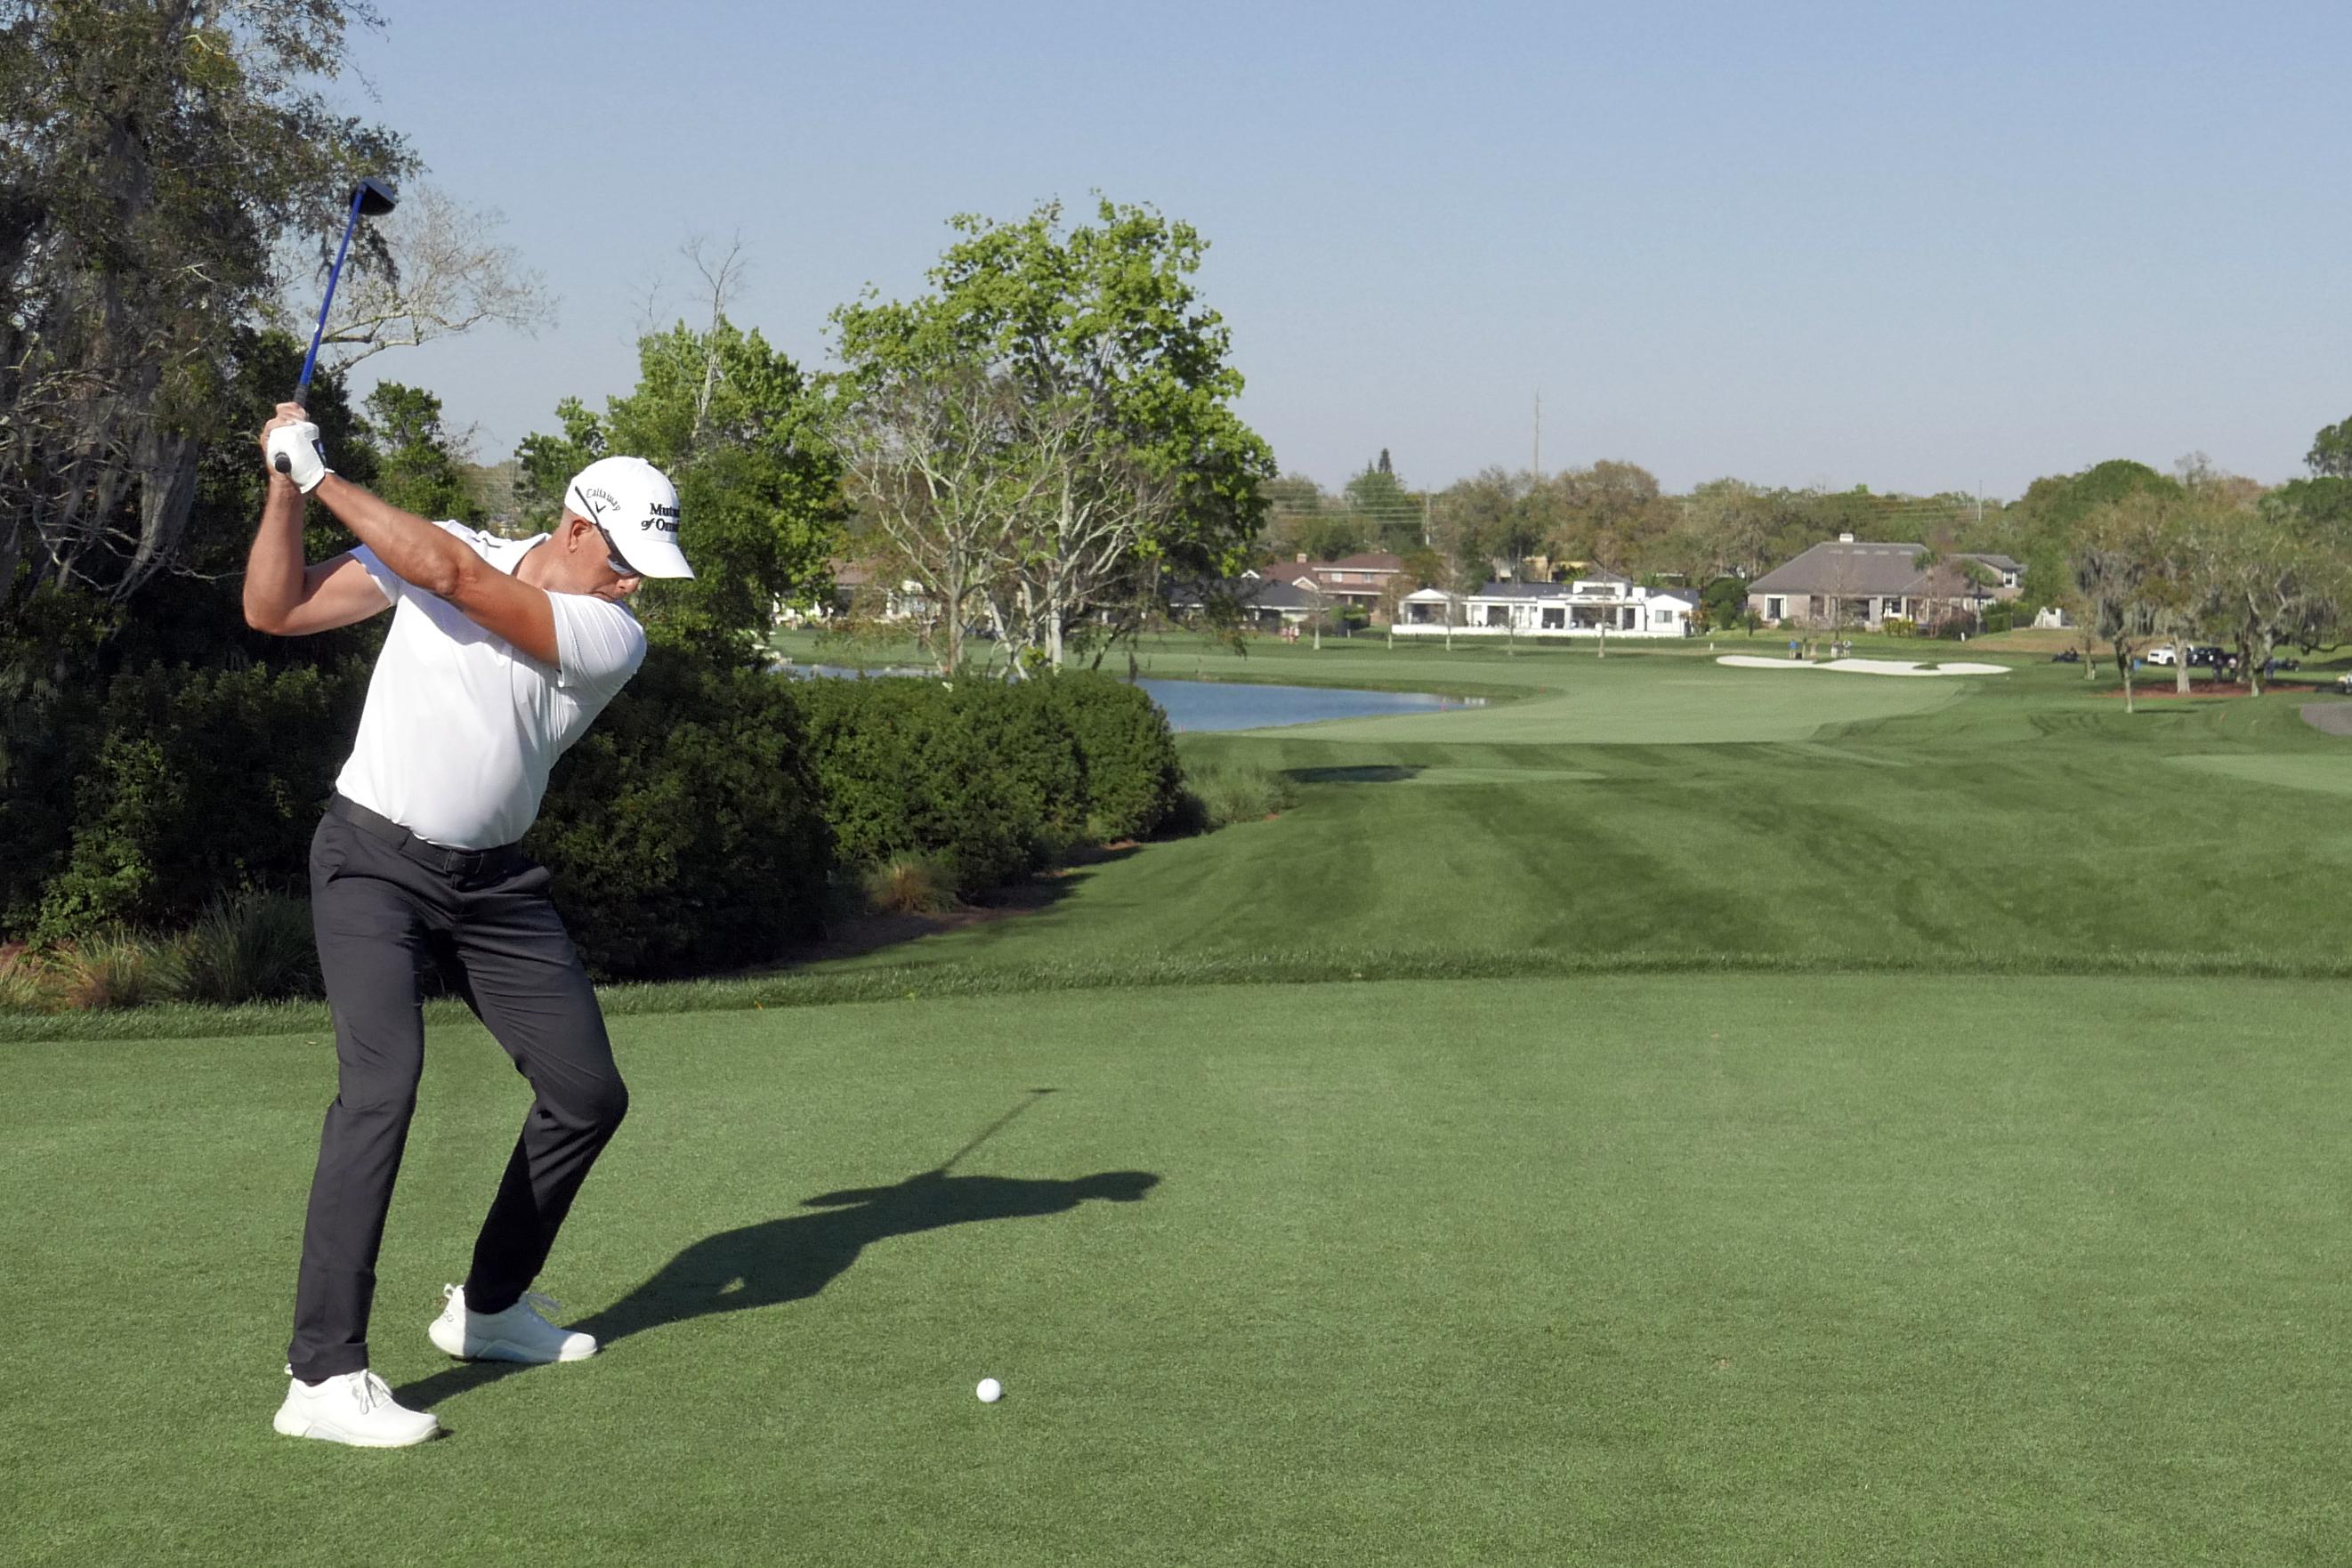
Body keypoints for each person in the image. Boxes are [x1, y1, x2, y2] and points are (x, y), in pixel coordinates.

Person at [243, 401, 693, 1447]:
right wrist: (283, 487)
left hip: (496, 889)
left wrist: (324, 477)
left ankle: (488, 1308)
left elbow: (455, 581)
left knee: (587, 1093)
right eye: (624, 560)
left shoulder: (609, 635)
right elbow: (275, 611)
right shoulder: (442, 549)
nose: (635, 587)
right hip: (371, 863)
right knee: (381, 1088)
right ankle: (321, 1375)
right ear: (578, 526)